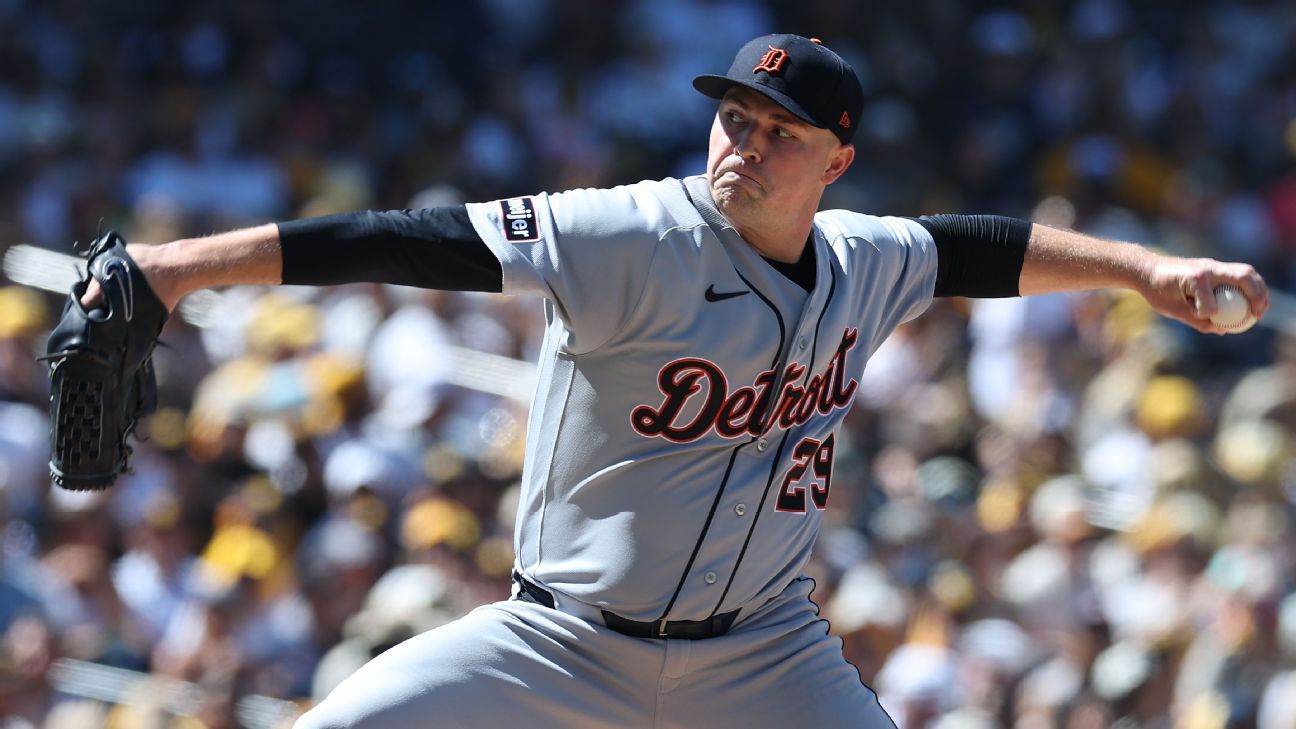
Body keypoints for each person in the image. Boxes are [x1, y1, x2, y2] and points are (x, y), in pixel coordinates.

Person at [82, 34, 1268, 729]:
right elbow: (411, 239)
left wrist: (1146, 271)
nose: (745, 145)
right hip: (558, 646)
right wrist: (182, 269)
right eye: (736, 118)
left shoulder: (865, 258)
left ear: (837, 162)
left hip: (767, 658)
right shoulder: (631, 234)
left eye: (781, 133)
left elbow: (978, 248)